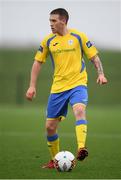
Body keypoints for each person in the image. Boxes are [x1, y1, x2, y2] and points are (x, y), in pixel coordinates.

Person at [26, 8, 108, 169]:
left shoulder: (78, 36)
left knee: (79, 110)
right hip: (58, 88)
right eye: (50, 21)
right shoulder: (48, 41)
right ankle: (53, 160)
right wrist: (32, 86)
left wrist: (101, 74)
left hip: (78, 84)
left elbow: (94, 57)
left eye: (54, 21)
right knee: (50, 127)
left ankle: (81, 147)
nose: (51, 24)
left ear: (63, 21)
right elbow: (37, 62)